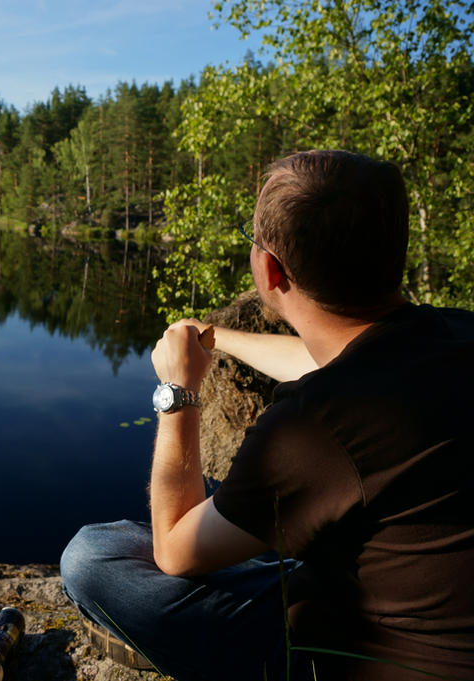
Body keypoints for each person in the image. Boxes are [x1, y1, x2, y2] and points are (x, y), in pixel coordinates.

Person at [60, 150, 474, 681]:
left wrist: (178, 390)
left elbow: (174, 552)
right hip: (421, 603)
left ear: (270, 267)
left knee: (94, 556)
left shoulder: (315, 425)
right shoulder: (455, 332)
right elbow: (325, 361)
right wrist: (215, 340)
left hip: (363, 652)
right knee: (252, 516)